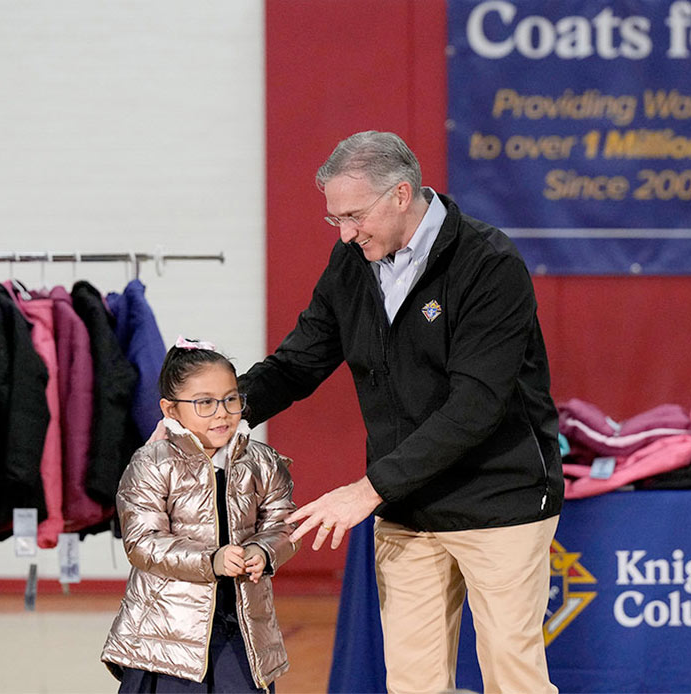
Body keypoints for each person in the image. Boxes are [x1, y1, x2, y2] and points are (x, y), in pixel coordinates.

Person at [240, 130, 564, 694]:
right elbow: (298, 363)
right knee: (413, 683)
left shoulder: (489, 263)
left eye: (354, 215)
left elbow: (475, 407)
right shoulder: (351, 262)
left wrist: (367, 490)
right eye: (334, 219)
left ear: (400, 194)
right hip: (409, 509)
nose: (344, 233)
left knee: (514, 677)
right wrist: (220, 408)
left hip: (500, 500)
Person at [102, 336, 299, 693]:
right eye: (204, 403)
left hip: (242, 630)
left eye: (230, 398)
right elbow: (143, 544)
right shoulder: (152, 463)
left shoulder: (263, 461)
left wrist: (264, 551)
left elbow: (283, 523)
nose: (222, 412)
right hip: (167, 638)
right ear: (171, 409)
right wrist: (212, 560)